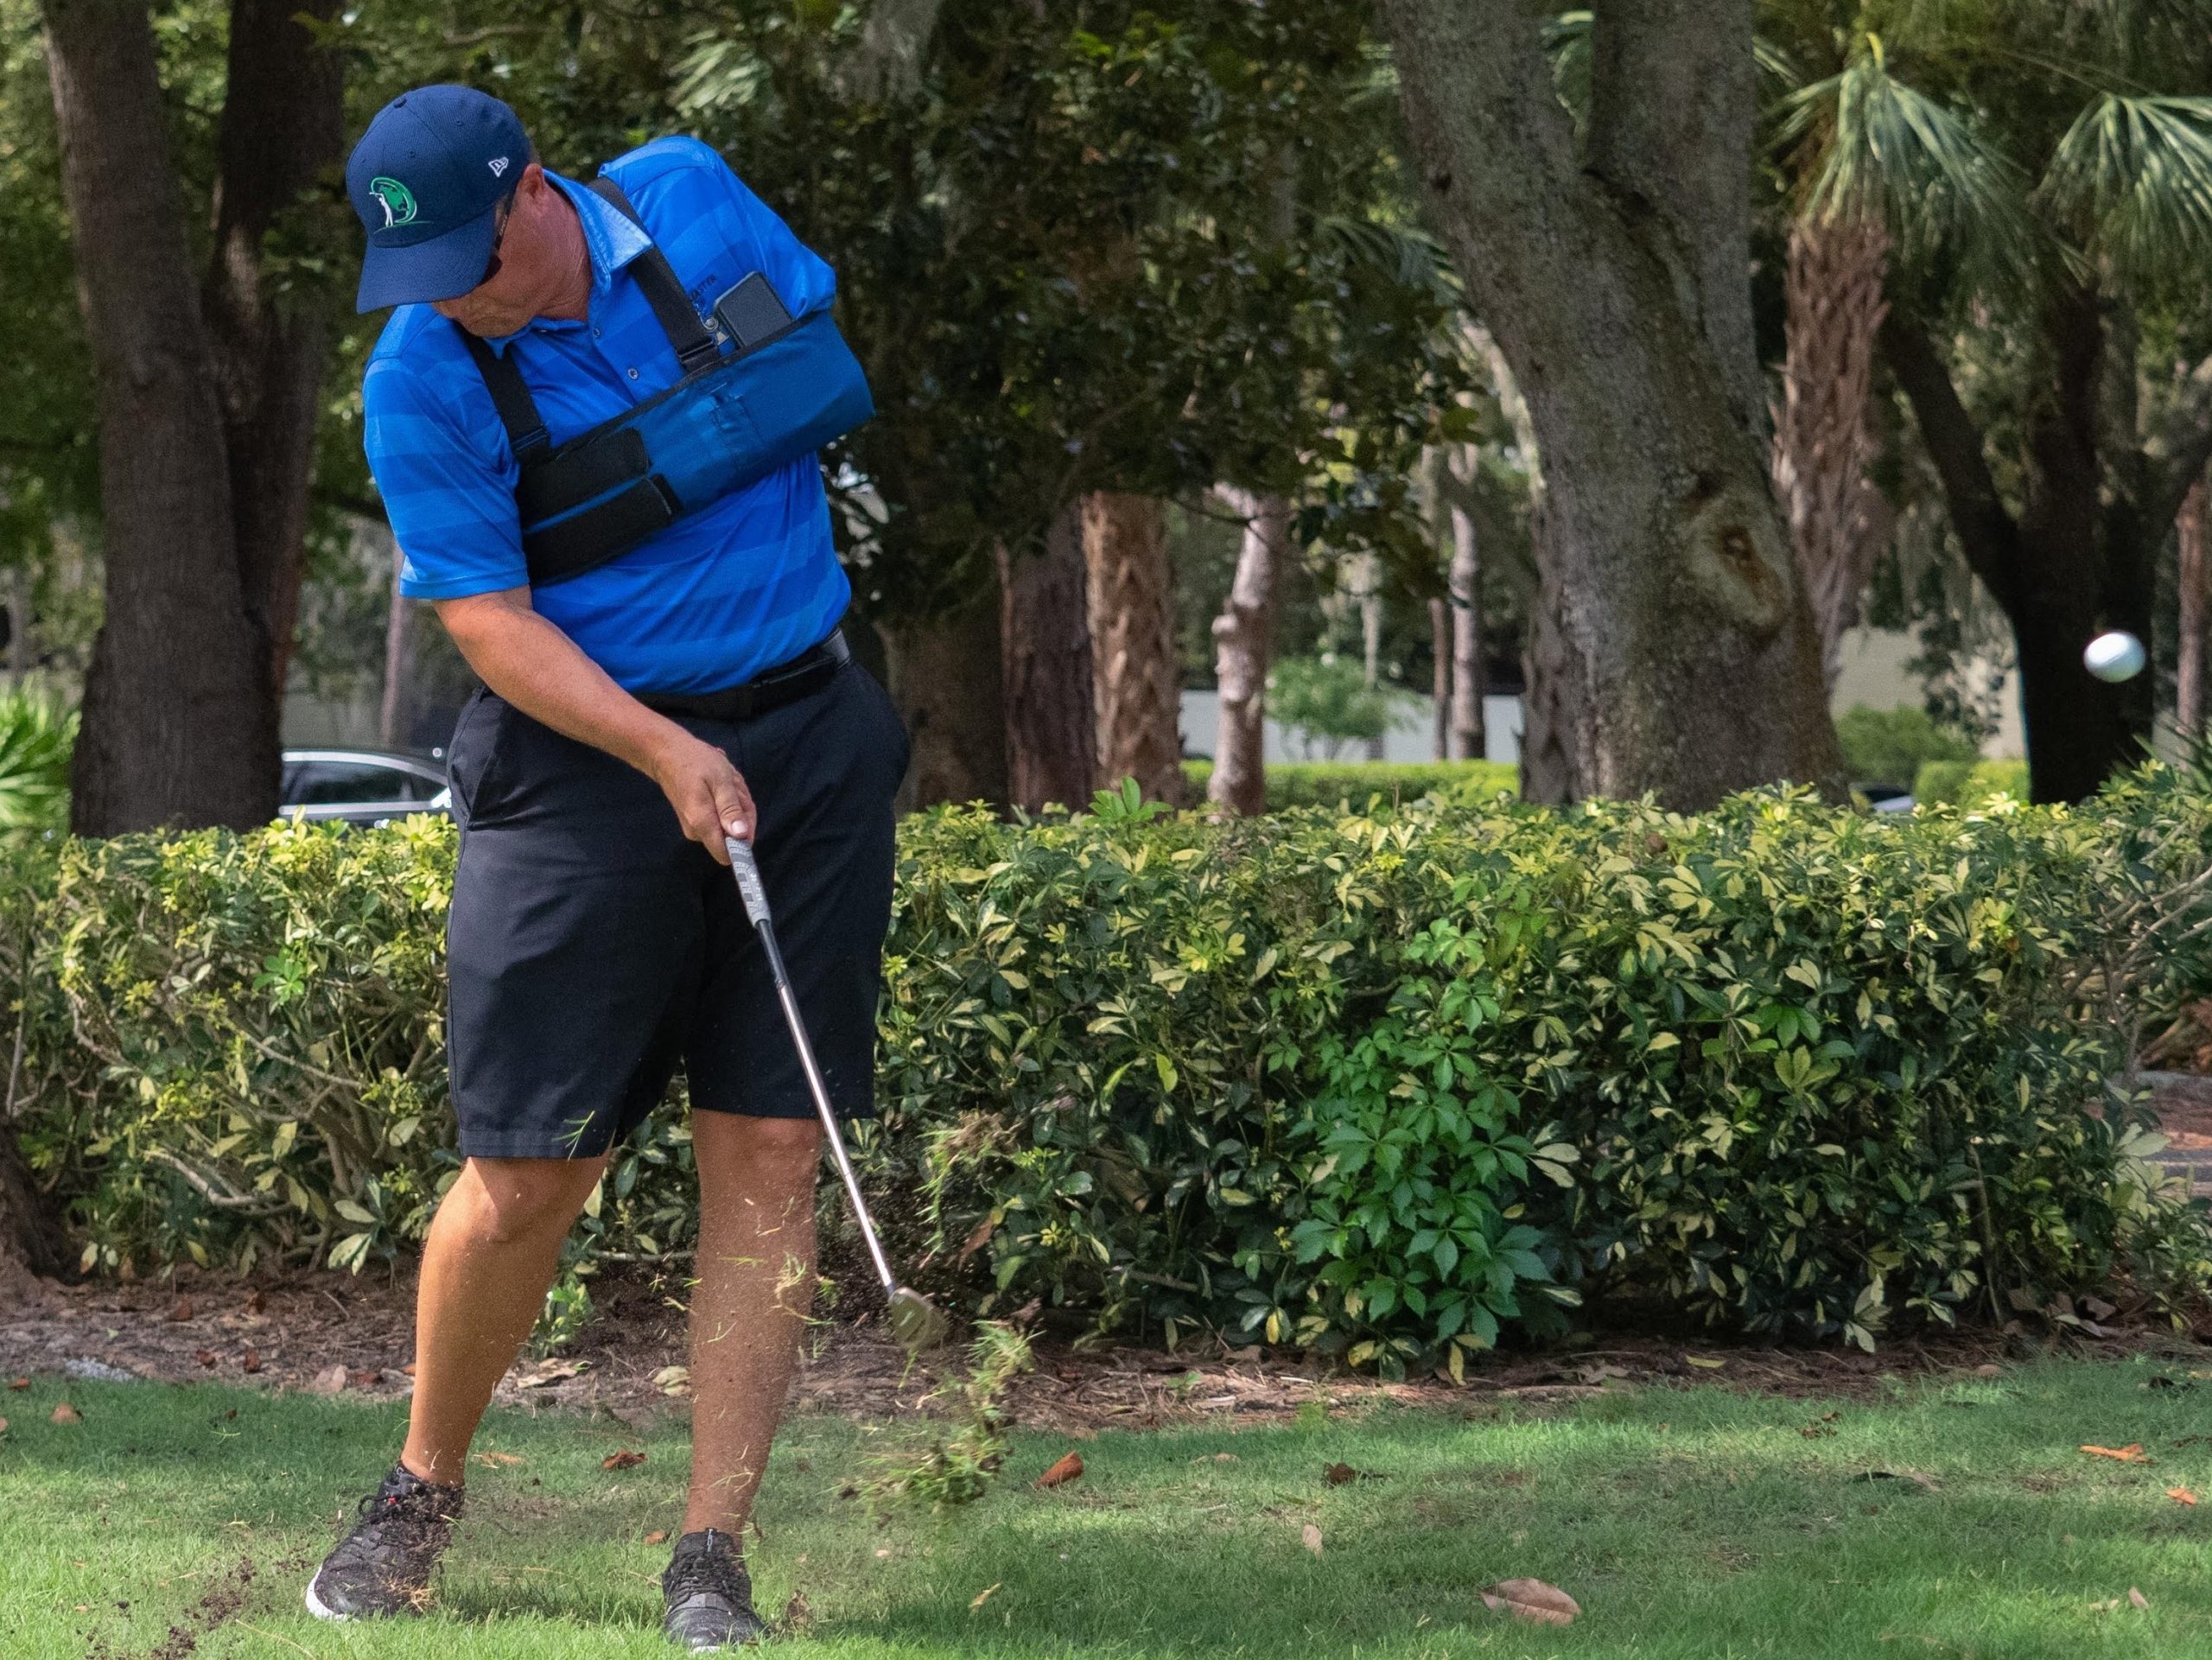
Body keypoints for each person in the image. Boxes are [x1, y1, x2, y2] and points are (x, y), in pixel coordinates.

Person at [307, 85, 906, 1651]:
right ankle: (420, 1488)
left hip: (808, 732)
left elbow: (805, 359)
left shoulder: (695, 197)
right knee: (530, 1171)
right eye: (414, 271)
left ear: (531, 194)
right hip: (581, 766)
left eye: (462, 252)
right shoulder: (423, 377)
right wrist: (659, 746)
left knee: (772, 1154)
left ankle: (711, 1551)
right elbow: (488, 623)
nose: (445, 291)